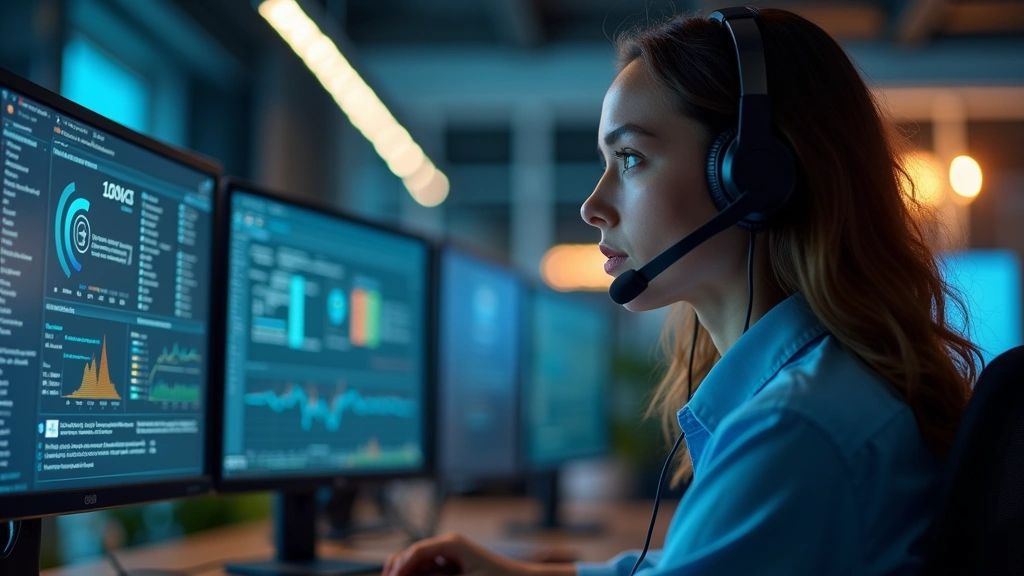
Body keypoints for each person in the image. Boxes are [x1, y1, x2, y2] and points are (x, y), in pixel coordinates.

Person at [384, 7, 979, 576]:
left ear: (752, 176)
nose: (593, 206)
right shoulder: (816, 394)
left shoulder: (793, 432)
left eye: (632, 158)